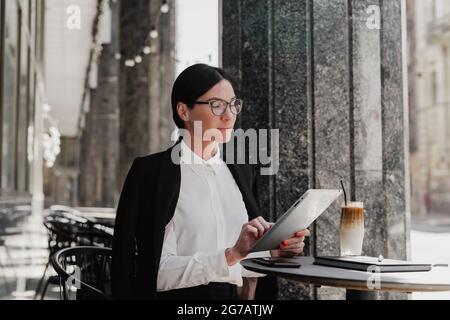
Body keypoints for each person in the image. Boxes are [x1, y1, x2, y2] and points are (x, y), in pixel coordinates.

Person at [112, 63, 309, 300]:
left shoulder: (242, 171)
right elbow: (153, 273)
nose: (229, 115)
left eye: (234, 104)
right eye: (216, 105)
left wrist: (273, 251)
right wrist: (230, 255)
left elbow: (245, 263)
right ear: (184, 111)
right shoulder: (151, 173)